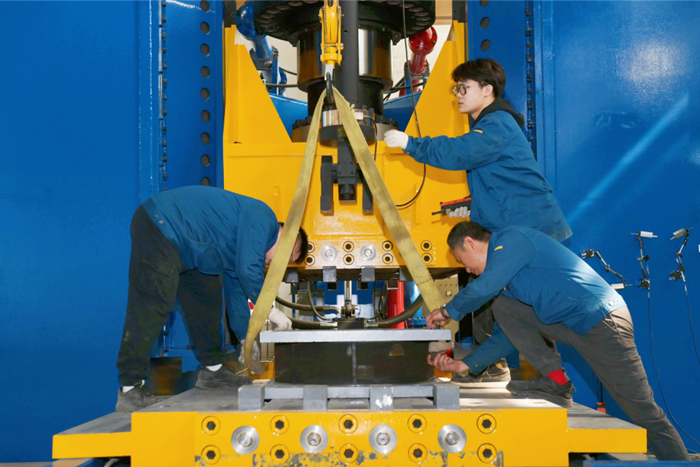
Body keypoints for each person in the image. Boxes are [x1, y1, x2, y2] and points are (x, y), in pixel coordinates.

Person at [425, 221, 689, 461]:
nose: (467, 269)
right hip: (572, 324)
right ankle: (556, 382)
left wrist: (448, 311)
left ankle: (678, 460)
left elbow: (485, 286)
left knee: (641, 409)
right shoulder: (510, 282)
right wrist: (466, 365)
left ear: (470, 243)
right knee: (504, 308)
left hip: (603, 322)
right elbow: (508, 334)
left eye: (462, 260)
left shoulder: (513, 239)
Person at [385, 58, 571, 383]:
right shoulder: (492, 125)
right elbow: (501, 184)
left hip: (530, 230)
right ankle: (515, 371)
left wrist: (411, 144)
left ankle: (522, 373)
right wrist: (472, 208)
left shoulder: (497, 123)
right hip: (518, 226)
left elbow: (460, 152)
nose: (457, 94)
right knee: (511, 301)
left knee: (514, 300)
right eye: (456, 88)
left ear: (487, 90)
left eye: (464, 88)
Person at [115, 186, 308, 413]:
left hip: (192, 250)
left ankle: (213, 371)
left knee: (206, 302)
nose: (279, 265)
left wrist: (246, 338)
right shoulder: (264, 218)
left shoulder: (244, 249)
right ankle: (130, 389)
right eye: (288, 258)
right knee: (152, 304)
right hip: (162, 224)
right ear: (287, 239)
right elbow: (249, 272)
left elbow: (238, 293)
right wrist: (270, 311)